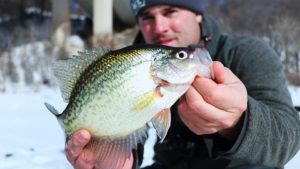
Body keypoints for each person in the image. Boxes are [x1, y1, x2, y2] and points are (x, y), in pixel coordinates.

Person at [64, 0, 300, 168]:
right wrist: (118, 159)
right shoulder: (127, 64)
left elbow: (289, 134)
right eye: (147, 17)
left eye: (170, 11)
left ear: (198, 13)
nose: (159, 27)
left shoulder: (247, 53)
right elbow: (132, 125)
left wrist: (237, 123)